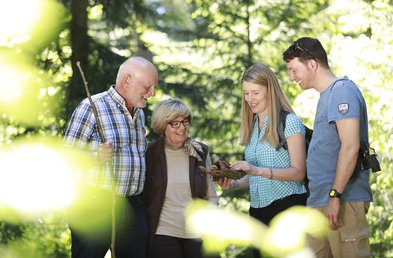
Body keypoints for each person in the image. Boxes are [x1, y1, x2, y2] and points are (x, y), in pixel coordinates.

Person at [283, 37, 373, 258]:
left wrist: (335, 196)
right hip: (319, 202)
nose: (291, 77)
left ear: (312, 64)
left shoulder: (342, 91)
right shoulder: (326, 97)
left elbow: (350, 147)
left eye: (294, 70)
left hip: (343, 201)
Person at [64, 56, 158, 258]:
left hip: (132, 205)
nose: (153, 93)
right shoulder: (91, 107)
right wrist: (95, 156)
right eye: (148, 86)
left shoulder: (139, 114)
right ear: (127, 80)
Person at [218, 63, 308, 258]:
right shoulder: (252, 126)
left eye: (256, 93)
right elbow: (253, 176)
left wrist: (257, 170)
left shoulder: (289, 122)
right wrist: (233, 182)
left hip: (287, 209)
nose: (250, 99)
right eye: (246, 93)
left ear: (270, 89)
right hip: (258, 213)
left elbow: (299, 172)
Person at [143, 98, 218, 258]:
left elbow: (210, 194)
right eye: (175, 123)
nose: (182, 128)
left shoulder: (200, 151)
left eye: (185, 122)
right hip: (164, 231)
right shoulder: (150, 153)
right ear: (163, 126)